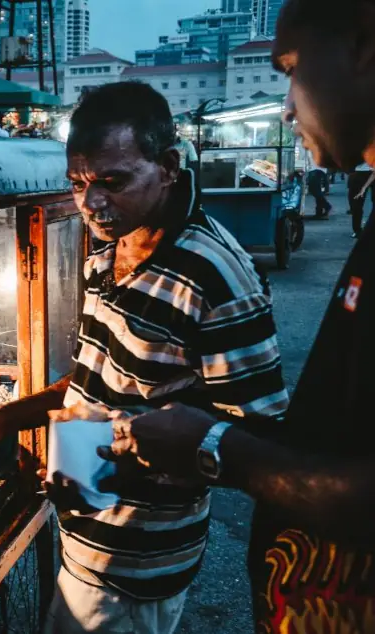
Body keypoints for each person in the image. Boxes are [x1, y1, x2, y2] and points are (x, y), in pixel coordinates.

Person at [0, 81, 289, 634]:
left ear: (166, 166)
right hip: (88, 541)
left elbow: (257, 441)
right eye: (79, 184)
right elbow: (101, 380)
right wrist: (5, 419)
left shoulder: (215, 276)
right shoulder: (109, 251)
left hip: (135, 565)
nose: (91, 204)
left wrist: (105, 461)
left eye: (113, 182)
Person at [105, 1, 375, 631]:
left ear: (363, 42)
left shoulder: (210, 261)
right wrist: (211, 413)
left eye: (289, 68)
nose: (285, 106)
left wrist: (216, 445)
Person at [348, 163, 374, 237]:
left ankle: (357, 230)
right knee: (356, 204)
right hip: (360, 171)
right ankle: (358, 230)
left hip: (360, 171)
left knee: (356, 203)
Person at [305, 148, 333, 218]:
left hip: (317, 169)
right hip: (315, 169)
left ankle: (327, 206)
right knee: (317, 190)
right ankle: (319, 212)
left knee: (314, 190)